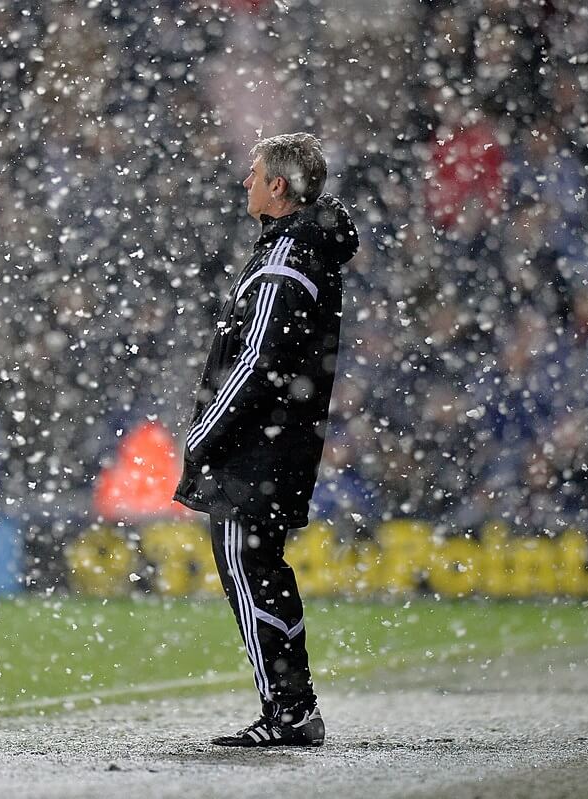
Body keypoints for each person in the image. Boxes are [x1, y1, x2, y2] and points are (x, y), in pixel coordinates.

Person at [173, 132, 359, 747]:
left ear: (277, 187)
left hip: (256, 452)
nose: (245, 184)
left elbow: (257, 363)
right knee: (261, 569)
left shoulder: (285, 261)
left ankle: (289, 710)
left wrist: (204, 434)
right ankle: (291, 706)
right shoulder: (303, 251)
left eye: (254, 176)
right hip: (278, 446)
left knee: (249, 571)